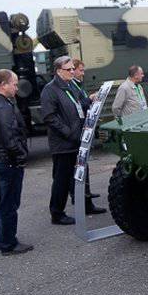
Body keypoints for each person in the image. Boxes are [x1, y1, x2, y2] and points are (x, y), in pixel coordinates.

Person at [41, 56, 106, 225]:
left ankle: (86, 204)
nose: (72, 71)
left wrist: (91, 100)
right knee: (62, 180)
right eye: (68, 69)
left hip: (77, 140)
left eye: (72, 69)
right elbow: (49, 117)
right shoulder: (50, 90)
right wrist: (69, 133)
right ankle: (57, 213)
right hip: (64, 144)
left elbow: (81, 103)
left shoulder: (70, 86)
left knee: (80, 177)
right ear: (58, 71)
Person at [0, 69, 33, 255]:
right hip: (6, 162)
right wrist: (21, 158)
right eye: (14, 84)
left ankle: (2, 240)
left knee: (3, 203)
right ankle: (9, 244)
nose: (16, 88)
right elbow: (10, 138)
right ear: (3, 84)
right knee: (9, 204)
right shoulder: (3, 107)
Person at [70, 58, 99, 201]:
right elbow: (79, 104)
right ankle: (82, 195)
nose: (83, 73)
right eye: (80, 70)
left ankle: (86, 192)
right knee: (79, 165)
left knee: (83, 163)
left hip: (82, 128)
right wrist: (89, 99)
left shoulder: (77, 85)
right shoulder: (73, 86)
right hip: (78, 129)